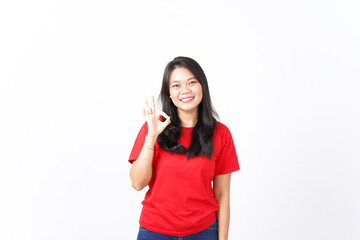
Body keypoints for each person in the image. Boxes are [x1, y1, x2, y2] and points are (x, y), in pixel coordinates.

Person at [128, 56, 240, 240]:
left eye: (192, 82)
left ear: (202, 85)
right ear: (168, 93)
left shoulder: (221, 133)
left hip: (204, 232)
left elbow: (222, 194)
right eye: (176, 85)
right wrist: (151, 137)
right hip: (155, 232)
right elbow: (137, 183)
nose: (185, 90)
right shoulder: (154, 127)